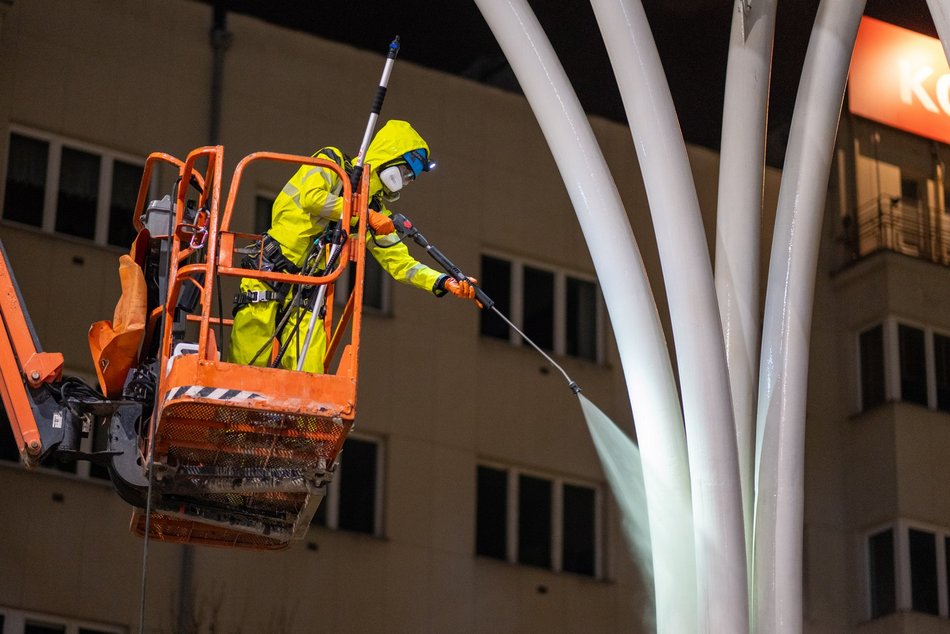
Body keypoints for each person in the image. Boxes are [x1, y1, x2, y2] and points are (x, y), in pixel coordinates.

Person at [229, 120, 475, 372]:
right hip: (269, 268)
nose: (407, 181)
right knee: (247, 358)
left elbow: (401, 263)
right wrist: (363, 215)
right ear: (390, 157)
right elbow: (312, 198)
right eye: (406, 172)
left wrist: (442, 281)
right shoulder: (331, 162)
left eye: (411, 177)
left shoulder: (375, 211)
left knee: (309, 372)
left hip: (308, 288)